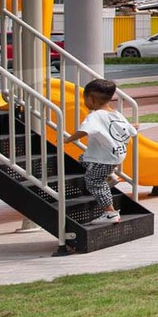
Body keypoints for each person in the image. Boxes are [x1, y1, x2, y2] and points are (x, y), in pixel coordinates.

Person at [60, 78, 133, 224]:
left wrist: (68, 139)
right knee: (84, 158)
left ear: (90, 98)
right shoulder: (116, 114)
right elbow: (129, 130)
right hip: (115, 155)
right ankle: (110, 175)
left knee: (93, 182)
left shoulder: (94, 116)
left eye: (84, 99)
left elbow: (84, 131)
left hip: (103, 158)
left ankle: (110, 212)